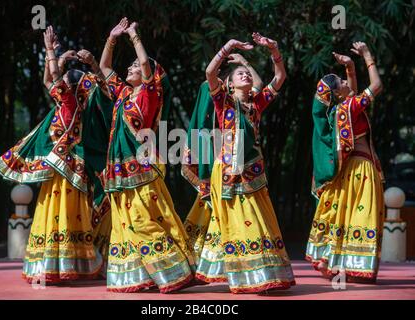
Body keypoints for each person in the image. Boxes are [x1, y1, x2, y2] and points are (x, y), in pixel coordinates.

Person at [0, 26, 113, 284]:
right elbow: (51, 81)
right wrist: (59, 60)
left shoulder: (69, 105)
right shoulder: (67, 105)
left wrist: (51, 50)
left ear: (74, 88)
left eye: (69, 78)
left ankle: (57, 266)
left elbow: (55, 82)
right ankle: (70, 266)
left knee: (57, 216)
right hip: (67, 171)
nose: (62, 80)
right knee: (66, 217)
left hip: (64, 175)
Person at [99, 17, 195, 293]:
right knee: (124, 225)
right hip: (118, 174)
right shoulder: (122, 94)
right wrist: (112, 37)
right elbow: (105, 66)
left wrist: (134, 36)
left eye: (135, 67)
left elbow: (144, 64)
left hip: (141, 171)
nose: (130, 68)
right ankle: (138, 277)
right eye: (128, 66)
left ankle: (173, 273)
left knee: (144, 221)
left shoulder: (149, 94)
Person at [194, 33, 295, 293]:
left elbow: (279, 77)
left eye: (247, 74)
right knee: (239, 222)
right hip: (228, 171)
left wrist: (274, 50)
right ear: (228, 84)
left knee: (259, 218)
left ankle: (262, 273)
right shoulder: (223, 102)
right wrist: (228, 47)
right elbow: (209, 71)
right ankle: (246, 277)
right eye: (239, 74)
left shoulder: (256, 105)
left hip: (253, 169)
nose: (246, 75)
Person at [306, 42, 384, 283]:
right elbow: (376, 86)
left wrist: (351, 66)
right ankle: (356, 265)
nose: (345, 81)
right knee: (364, 215)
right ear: (338, 93)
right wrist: (368, 56)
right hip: (362, 169)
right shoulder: (349, 107)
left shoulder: (338, 111)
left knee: (346, 216)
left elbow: (353, 89)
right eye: (340, 82)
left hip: (349, 171)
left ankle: (331, 261)